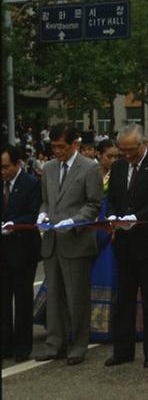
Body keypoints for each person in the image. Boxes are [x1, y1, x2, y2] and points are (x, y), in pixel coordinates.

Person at [35, 122, 104, 365]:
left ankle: (78, 344)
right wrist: (42, 215)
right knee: (53, 297)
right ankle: (55, 343)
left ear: (75, 144)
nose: (57, 151)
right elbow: (45, 200)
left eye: (61, 146)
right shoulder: (50, 168)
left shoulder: (90, 168)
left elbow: (94, 205)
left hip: (76, 242)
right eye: (53, 147)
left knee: (77, 298)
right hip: (53, 241)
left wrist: (74, 221)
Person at [104, 125, 148, 368]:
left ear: (143, 144)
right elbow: (112, 197)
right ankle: (123, 350)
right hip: (124, 243)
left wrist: (137, 216)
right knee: (124, 299)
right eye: (123, 150)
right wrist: (113, 216)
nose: (127, 155)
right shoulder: (119, 166)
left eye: (131, 150)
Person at [1, 144, 42, 362]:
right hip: (3, 251)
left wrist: (13, 224)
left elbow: (33, 214)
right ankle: (5, 343)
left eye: (6, 167)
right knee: (3, 299)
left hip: (24, 249)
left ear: (17, 164)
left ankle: (23, 345)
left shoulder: (32, 184)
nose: (3, 171)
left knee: (23, 298)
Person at [88, 139, 120, 342]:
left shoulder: (118, 174)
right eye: (109, 156)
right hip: (90, 228)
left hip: (110, 230)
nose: (114, 160)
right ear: (99, 155)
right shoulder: (90, 174)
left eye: (117, 156)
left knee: (109, 274)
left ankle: (110, 324)